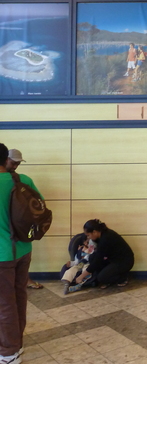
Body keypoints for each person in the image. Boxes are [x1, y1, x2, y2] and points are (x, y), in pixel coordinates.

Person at [0, 142, 43, 364]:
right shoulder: (24, 180)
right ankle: (16, 343)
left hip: (1, 255)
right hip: (23, 249)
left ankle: (8, 353)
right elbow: (39, 210)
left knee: (4, 303)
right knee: (18, 296)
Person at [6, 149, 43, 290]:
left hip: (15, 240)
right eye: (13, 162)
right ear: (5, 159)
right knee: (19, 290)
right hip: (22, 238)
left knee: (8, 293)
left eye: (17, 164)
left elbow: (40, 204)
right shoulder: (24, 180)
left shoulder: (26, 180)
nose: (15, 166)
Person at [72, 219, 134, 290]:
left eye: (88, 235)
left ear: (94, 232)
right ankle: (108, 275)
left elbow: (98, 260)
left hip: (124, 262)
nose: (88, 238)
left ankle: (122, 277)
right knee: (92, 257)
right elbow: (97, 257)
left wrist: (81, 276)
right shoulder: (101, 235)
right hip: (112, 259)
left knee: (102, 278)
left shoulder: (106, 238)